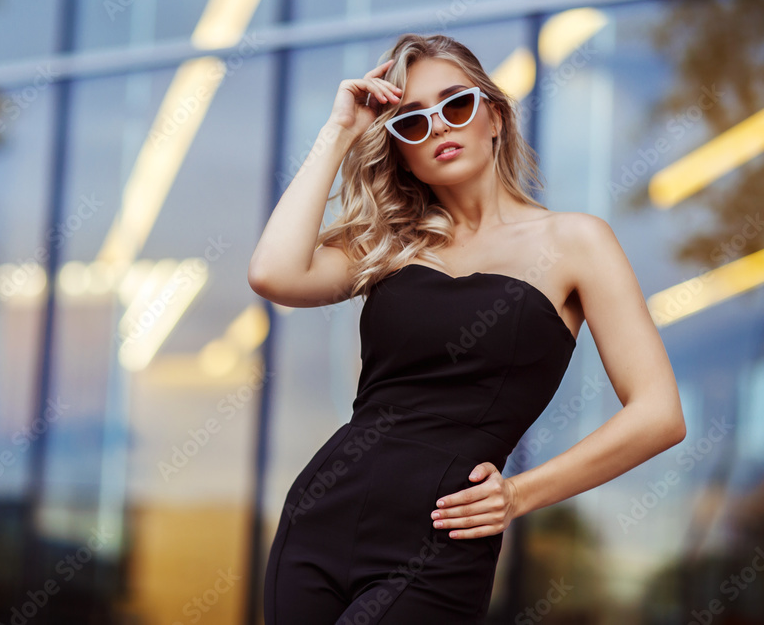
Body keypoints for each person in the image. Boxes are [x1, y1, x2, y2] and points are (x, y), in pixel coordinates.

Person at [247, 33, 686, 623]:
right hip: (322, 516)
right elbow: (273, 273)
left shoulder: (575, 242)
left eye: (455, 106)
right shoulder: (391, 243)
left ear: (496, 116)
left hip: (443, 534)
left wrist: (518, 494)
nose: (439, 129)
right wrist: (339, 132)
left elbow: (659, 414)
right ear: (400, 149)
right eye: (411, 123)